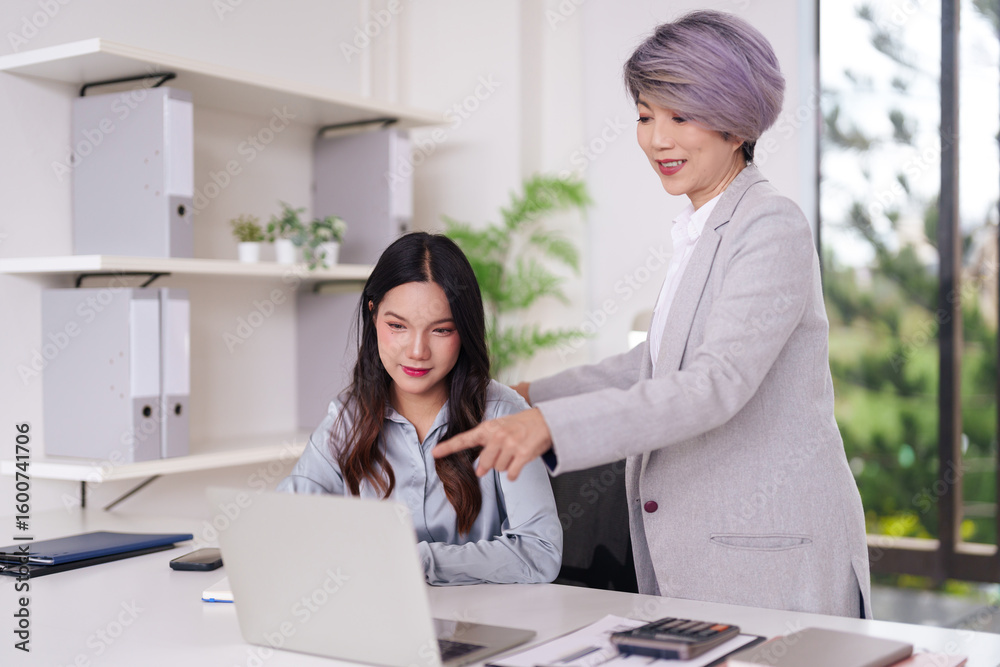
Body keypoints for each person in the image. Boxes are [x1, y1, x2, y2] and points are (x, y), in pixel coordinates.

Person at [434, 10, 872, 617]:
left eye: (680, 117)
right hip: (709, 555)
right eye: (645, 117)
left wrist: (551, 427)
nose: (657, 139)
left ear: (735, 123)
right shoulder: (703, 228)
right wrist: (527, 394)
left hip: (770, 559)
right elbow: (656, 362)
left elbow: (714, 383)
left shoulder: (771, 225)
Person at [278, 232, 562, 585]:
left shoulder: (505, 414)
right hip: (379, 612)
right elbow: (286, 520)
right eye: (397, 326)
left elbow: (539, 553)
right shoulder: (349, 417)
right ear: (373, 314)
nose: (417, 351)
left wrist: (416, 560)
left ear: (464, 330)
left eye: (441, 330)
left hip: (480, 614)